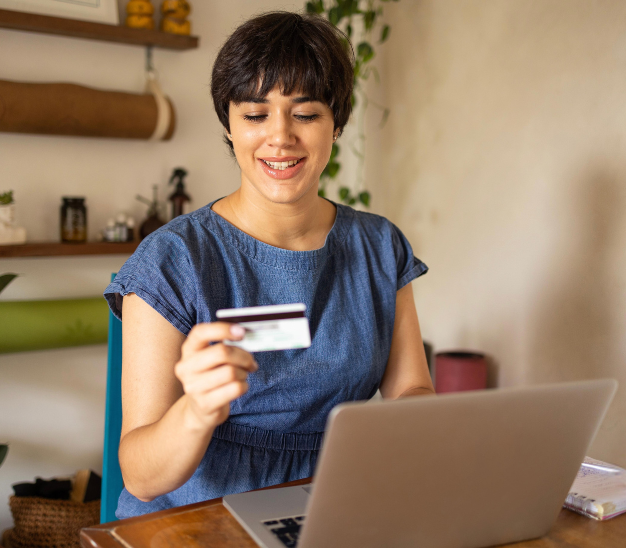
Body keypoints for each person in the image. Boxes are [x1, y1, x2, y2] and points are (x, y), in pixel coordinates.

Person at [103, 11, 434, 519]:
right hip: (197, 518)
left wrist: (425, 431)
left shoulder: (379, 247)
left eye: (306, 114)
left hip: (331, 505)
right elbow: (142, 478)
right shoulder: (172, 259)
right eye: (256, 115)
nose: (280, 137)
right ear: (229, 126)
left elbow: (412, 388)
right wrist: (196, 410)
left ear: (337, 124)